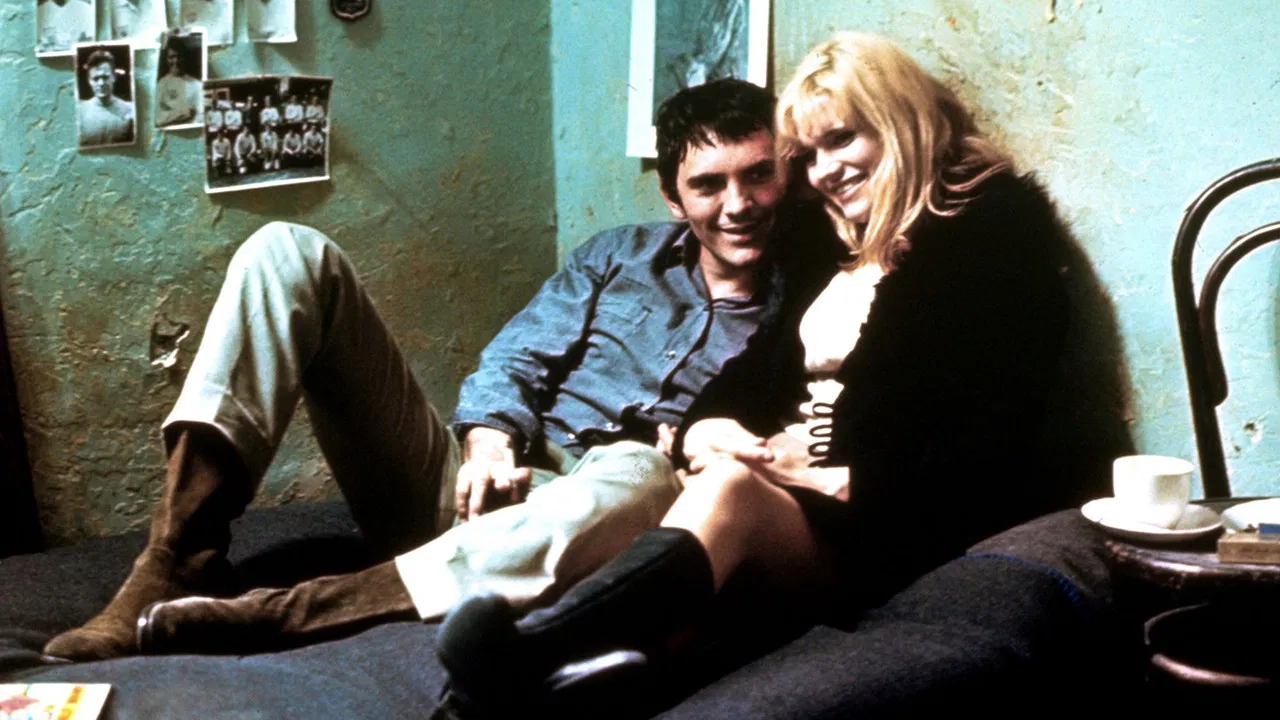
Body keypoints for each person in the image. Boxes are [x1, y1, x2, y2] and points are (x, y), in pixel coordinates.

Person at [43, 79, 826, 662]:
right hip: (478, 486)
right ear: (671, 195)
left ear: (783, 176)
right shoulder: (617, 255)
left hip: (604, 514)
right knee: (288, 250)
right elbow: (516, 356)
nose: (738, 204)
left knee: (638, 469)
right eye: (708, 184)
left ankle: (299, 611)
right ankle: (175, 560)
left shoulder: (811, 306)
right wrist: (488, 442)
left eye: (757, 175)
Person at [434, 31, 1071, 718]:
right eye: (811, 154)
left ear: (899, 122)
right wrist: (705, 428)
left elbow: (989, 449)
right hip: (788, 489)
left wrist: (828, 476)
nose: (824, 172)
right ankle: (556, 680)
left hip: (877, 523)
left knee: (727, 490)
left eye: (842, 140)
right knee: (701, 482)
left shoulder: (994, 239)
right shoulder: (836, 241)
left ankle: (532, 651)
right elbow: (755, 372)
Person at [77, 49, 135, 148]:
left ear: (114, 77)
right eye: (96, 79)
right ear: (89, 81)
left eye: (105, 77)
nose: (101, 83)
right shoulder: (79, 112)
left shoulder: (130, 110)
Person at [155, 41, 202, 128]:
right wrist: (185, 113)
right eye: (171, 57)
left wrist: (170, 112)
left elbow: (200, 117)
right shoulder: (161, 84)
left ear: (184, 58)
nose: (176, 61)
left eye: (179, 57)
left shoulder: (196, 85)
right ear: (166, 59)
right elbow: (157, 118)